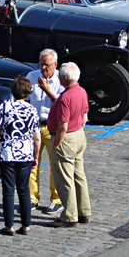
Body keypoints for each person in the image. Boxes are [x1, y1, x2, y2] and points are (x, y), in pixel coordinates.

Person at [0, 76, 42, 236]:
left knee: (8, 190)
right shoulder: (32, 110)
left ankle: (9, 225)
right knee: (24, 189)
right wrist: (36, 155)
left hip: (8, 154)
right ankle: (26, 225)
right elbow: (37, 137)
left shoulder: (4, 107)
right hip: (25, 154)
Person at [48, 62, 91, 228]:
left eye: (60, 76)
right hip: (79, 135)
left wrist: (57, 143)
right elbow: (85, 116)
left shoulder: (66, 97)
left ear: (65, 78)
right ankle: (84, 211)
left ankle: (69, 215)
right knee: (79, 175)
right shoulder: (82, 91)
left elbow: (62, 125)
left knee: (65, 178)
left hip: (66, 138)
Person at [27, 50, 63, 214]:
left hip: (51, 126)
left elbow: (63, 104)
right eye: (41, 64)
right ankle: (32, 198)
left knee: (54, 164)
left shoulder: (60, 79)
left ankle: (56, 199)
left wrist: (47, 90)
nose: (43, 68)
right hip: (34, 126)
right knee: (31, 163)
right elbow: (26, 99)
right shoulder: (31, 76)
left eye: (46, 65)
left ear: (55, 65)